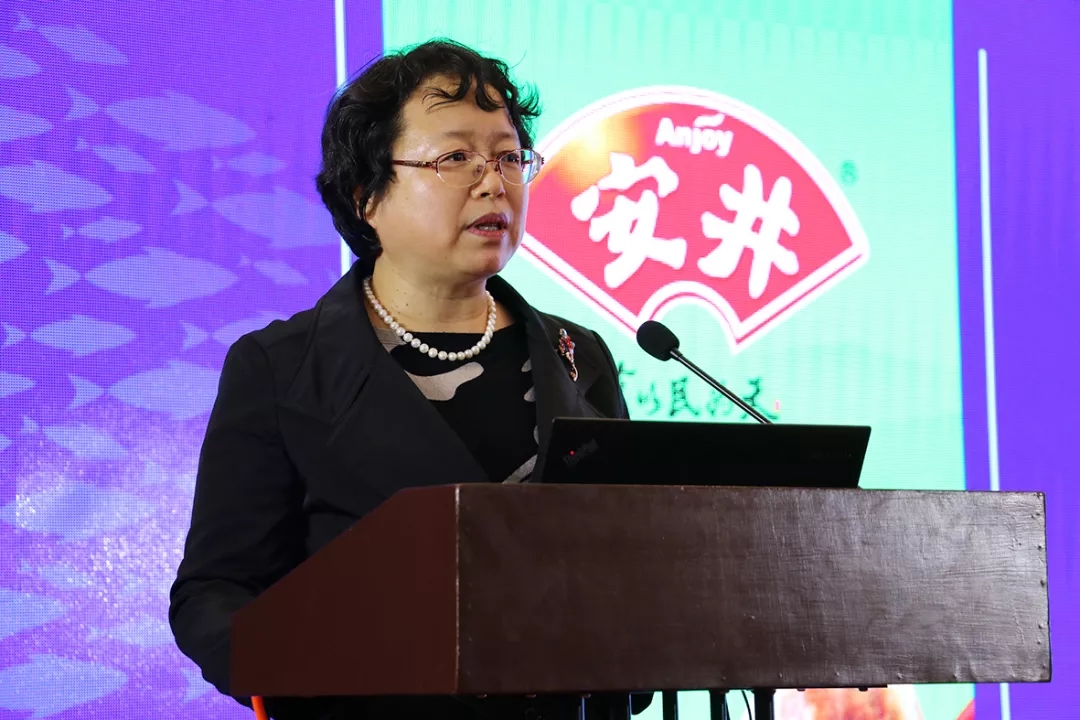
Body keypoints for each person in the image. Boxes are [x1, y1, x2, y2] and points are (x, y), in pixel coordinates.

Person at [169, 39, 652, 720]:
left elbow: (630, 564)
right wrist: (309, 670)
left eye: (508, 156)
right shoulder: (282, 368)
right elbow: (215, 592)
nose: (493, 182)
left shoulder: (579, 354)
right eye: (455, 158)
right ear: (366, 195)